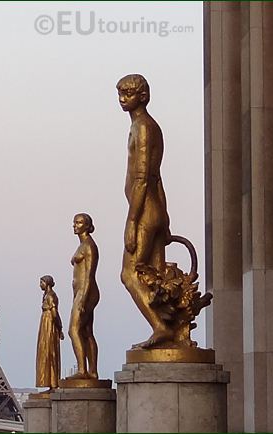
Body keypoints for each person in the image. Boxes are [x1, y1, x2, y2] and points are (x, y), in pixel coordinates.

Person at [117, 74, 174, 349]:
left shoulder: (142, 128)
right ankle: (170, 332)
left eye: (128, 93)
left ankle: (160, 327)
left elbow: (141, 177)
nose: (122, 99)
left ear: (142, 96)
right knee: (157, 276)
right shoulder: (152, 126)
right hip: (154, 208)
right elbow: (157, 176)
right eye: (120, 93)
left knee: (129, 274)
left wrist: (132, 220)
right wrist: (165, 216)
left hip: (143, 212)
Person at [67, 213, 100, 380]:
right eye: (74, 222)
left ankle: (83, 370)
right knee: (86, 331)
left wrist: (83, 298)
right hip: (81, 292)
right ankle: (92, 371)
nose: (75, 225)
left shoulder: (89, 246)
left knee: (73, 330)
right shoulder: (83, 245)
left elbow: (89, 275)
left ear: (87, 226)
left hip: (86, 292)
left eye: (79, 222)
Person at [35, 275, 63, 390]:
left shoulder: (51, 296)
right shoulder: (47, 295)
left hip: (49, 324)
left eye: (41, 282)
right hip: (46, 323)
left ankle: (53, 383)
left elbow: (55, 313)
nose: (40, 285)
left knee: (50, 352)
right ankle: (51, 383)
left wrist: (59, 328)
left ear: (47, 283)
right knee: (46, 352)